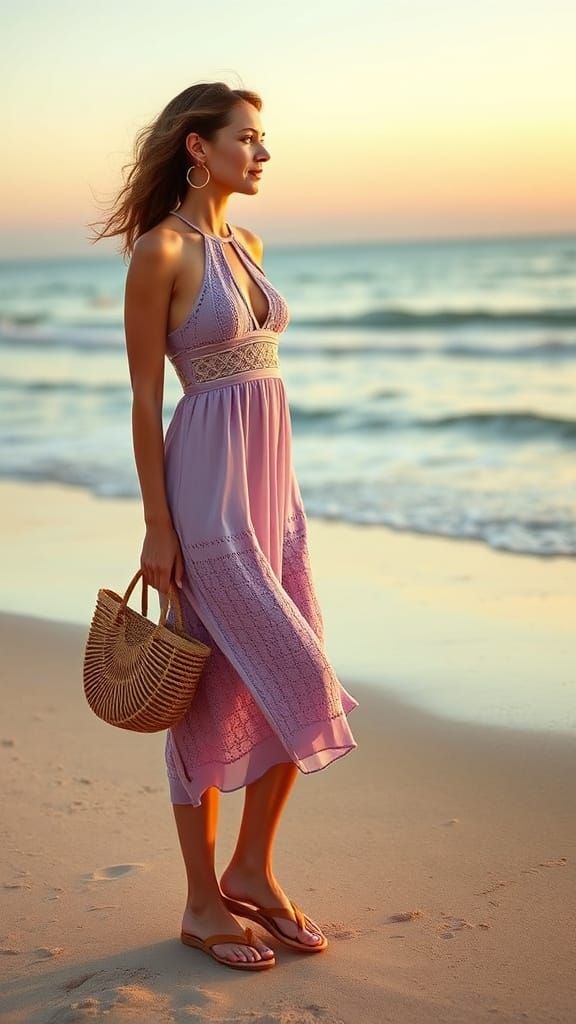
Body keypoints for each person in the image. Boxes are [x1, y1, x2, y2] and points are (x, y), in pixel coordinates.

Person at [90, 81, 359, 971]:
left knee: (294, 671)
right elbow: (142, 400)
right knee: (225, 693)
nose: (263, 152)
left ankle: (251, 869)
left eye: (263, 137)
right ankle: (204, 902)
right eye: (248, 138)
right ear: (199, 147)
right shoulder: (160, 252)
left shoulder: (248, 242)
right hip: (204, 501)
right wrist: (156, 527)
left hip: (272, 498)